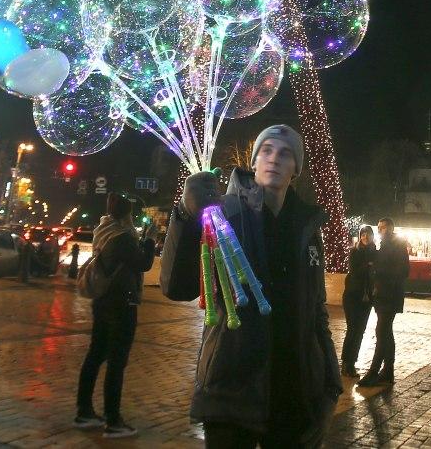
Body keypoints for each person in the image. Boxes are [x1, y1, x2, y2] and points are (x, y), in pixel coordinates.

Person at [160, 125, 341, 447]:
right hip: (231, 389)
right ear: (254, 162)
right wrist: (185, 216)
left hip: (294, 392)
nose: (274, 159)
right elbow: (178, 287)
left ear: (295, 169)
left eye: (285, 153)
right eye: (266, 151)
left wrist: (330, 382)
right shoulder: (222, 214)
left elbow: (316, 310)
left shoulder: (307, 226)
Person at [74, 192, 156, 438]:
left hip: (103, 302)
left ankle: (84, 411)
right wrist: (150, 240)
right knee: (117, 361)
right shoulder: (123, 237)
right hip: (121, 304)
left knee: (96, 354)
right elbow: (143, 263)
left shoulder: (105, 230)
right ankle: (113, 419)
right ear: (126, 215)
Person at [358, 218, 409, 388]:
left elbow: (402, 270)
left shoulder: (396, 244)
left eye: (383, 227)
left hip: (389, 295)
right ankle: (388, 371)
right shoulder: (384, 244)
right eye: (379, 227)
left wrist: (380, 271)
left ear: (391, 228)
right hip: (383, 296)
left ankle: (374, 372)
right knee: (386, 332)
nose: (380, 230)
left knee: (381, 331)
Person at [340, 225, 376, 380]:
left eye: (368, 234)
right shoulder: (355, 252)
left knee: (360, 331)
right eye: (363, 235)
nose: (365, 237)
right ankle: (346, 363)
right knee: (352, 329)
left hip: (366, 298)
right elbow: (354, 271)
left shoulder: (376, 252)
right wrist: (368, 265)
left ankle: (351, 363)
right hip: (353, 296)